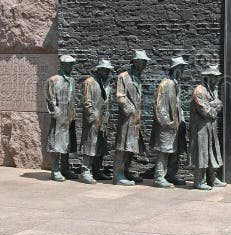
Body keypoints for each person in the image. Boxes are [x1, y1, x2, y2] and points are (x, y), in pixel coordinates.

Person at [150, 56, 189, 187]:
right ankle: (159, 177)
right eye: (182, 68)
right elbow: (159, 107)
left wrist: (181, 120)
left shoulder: (175, 84)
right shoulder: (166, 84)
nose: (183, 70)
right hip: (167, 125)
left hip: (176, 125)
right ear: (176, 69)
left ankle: (171, 175)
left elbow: (178, 104)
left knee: (176, 150)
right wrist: (168, 122)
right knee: (164, 151)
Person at [113, 50, 150, 186]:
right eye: (141, 62)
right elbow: (120, 97)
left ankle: (125, 171)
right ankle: (118, 175)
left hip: (135, 119)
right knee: (123, 146)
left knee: (131, 147)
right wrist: (131, 110)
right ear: (134, 62)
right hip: (126, 119)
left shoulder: (138, 77)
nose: (143, 64)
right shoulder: (124, 77)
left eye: (145, 62)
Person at [189, 64, 226, 190]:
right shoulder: (199, 90)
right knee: (202, 152)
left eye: (217, 77)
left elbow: (220, 105)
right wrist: (213, 106)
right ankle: (199, 181)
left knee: (212, 152)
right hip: (200, 128)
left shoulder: (213, 90)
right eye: (214, 77)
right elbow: (204, 110)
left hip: (210, 126)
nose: (217, 79)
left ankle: (212, 179)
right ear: (208, 77)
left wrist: (214, 104)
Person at [79, 59, 114, 184]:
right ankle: (85, 171)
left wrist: (105, 118)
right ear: (98, 69)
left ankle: (97, 170)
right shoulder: (90, 82)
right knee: (90, 144)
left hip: (103, 119)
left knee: (101, 145)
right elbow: (86, 102)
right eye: (104, 69)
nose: (106, 72)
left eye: (108, 70)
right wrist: (93, 117)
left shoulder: (106, 84)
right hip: (93, 120)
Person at [45, 54, 78, 181]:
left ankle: (65, 168)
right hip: (59, 116)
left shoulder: (72, 80)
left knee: (67, 143)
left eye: (72, 64)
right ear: (63, 64)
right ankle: (55, 170)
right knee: (56, 143)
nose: (71, 67)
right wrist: (56, 112)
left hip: (69, 116)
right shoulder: (53, 80)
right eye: (69, 64)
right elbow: (50, 99)